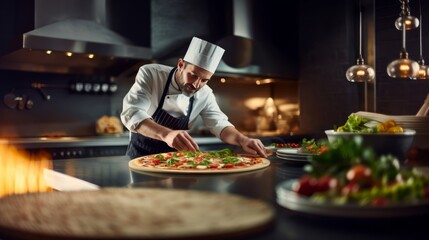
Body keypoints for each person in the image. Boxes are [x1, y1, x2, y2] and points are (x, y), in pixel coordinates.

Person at [121, 37, 267, 158]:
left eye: (204, 80)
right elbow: (132, 112)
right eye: (193, 75)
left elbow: (220, 124)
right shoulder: (151, 74)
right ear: (180, 64)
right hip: (140, 157)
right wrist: (167, 135)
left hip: (176, 163)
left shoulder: (205, 94)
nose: (197, 84)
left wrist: (243, 140)